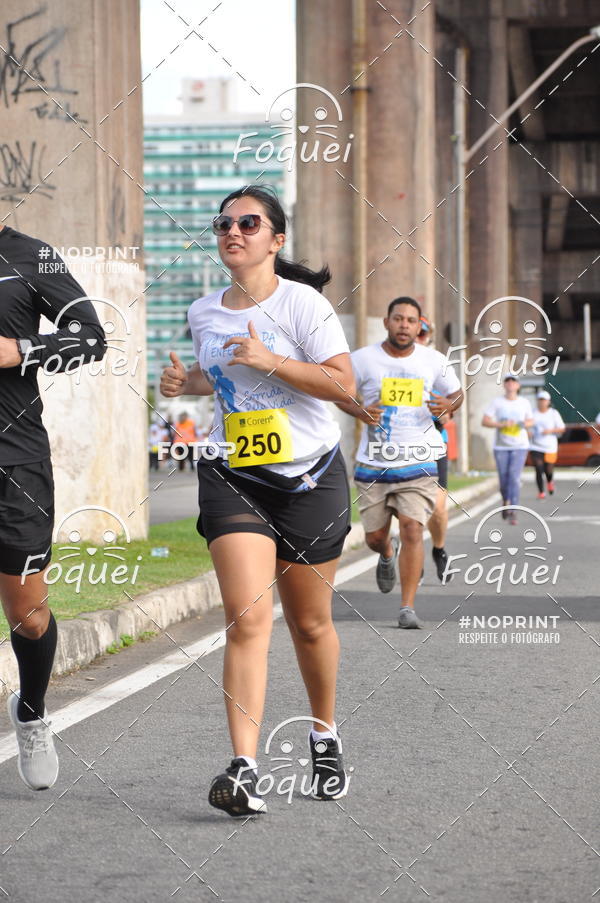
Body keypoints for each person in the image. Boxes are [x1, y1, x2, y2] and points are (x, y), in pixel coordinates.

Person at [160, 185, 355, 816]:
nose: (233, 232)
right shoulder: (203, 312)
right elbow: (222, 376)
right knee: (247, 620)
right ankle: (244, 769)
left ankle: (324, 733)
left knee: (309, 624)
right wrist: (185, 382)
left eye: (248, 223)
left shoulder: (303, 304)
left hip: (310, 478)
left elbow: (342, 384)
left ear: (276, 239)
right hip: (235, 473)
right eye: (224, 223)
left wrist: (272, 360)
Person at [0, 226, 106, 790]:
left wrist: (21, 349)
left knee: (29, 614)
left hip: (15, 465)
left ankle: (32, 710)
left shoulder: (31, 256)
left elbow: (91, 337)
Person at [336, 297, 463, 628]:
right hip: (374, 464)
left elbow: (457, 393)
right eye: (398, 319)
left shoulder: (434, 360)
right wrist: (360, 411)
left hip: (418, 462)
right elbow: (339, 392)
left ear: (419, 326)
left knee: (412, 528)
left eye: (411, 320)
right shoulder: (362, 359)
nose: (404, 325)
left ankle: (407, 607)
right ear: (387, 322)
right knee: (375, 537)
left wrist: (448, 405)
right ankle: (386, 553)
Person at [416, 315, 453, 582]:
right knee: (409, 512)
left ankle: (438, 550)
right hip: (397, 448)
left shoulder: (436, 365)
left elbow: (449, 412)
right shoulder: (387, 364)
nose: (418, 338)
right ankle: (412, 556)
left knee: (438, 509)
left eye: (422, 333)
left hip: (433, 445)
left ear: (429, 337)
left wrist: (439, 411)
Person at [482, 374, 534, 524]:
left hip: (520, 446)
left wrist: (521, 424)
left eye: (513, 381)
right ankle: (506, 501)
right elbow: (485, 421)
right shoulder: (497, 402)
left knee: (514, 478)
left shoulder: (524, 402)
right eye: (508, 381)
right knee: (504, 479)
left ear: (518, 385)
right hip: (501, 447)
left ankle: (513, 510)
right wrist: (501, 425)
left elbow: (531, 421)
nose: (511, 383)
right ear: (504, 385)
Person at [529, 390, 565, 498]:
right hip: (535, 445)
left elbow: (562, 428)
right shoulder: (532, 413)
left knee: (548, 470)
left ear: (548, 401)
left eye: (544, 400)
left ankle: (550, 482)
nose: (541, 402)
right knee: (538, 468)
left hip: (550, 446)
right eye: (540, 400)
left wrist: (549, 431)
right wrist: (528, 432)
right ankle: (541, 492)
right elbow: (527, 426)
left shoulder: (553, 413)